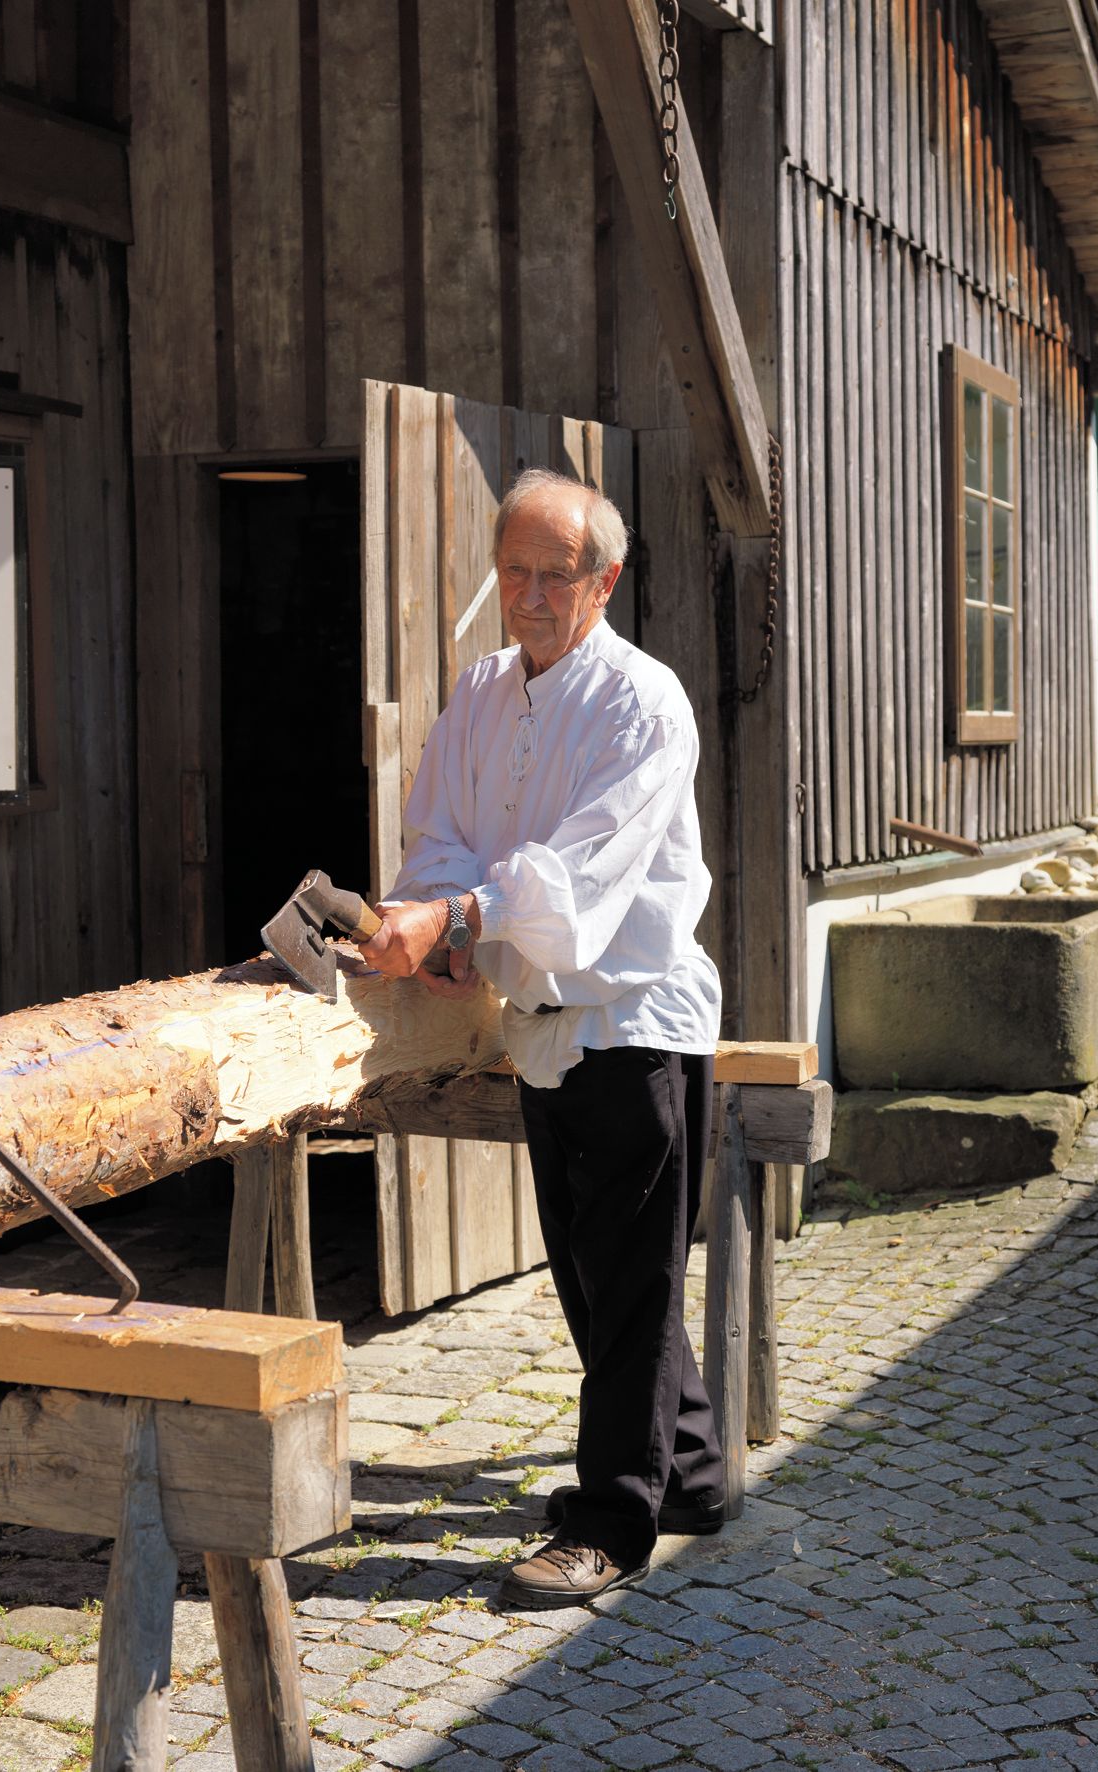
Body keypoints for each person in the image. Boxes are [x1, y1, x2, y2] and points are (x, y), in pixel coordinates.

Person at [361, 468, 724, 1607]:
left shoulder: (644, 703)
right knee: (600, 1277)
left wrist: (463, 915)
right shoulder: (477, 693)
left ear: (603, 579)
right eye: (509, 569)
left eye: (550, 574)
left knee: (624, 1281)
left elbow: (580, 882)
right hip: (534, 1022)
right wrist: (444, 924)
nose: (524, 592)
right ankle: (699, 1474)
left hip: (632, 1021)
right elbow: (440, 834)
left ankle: (613, 1519)